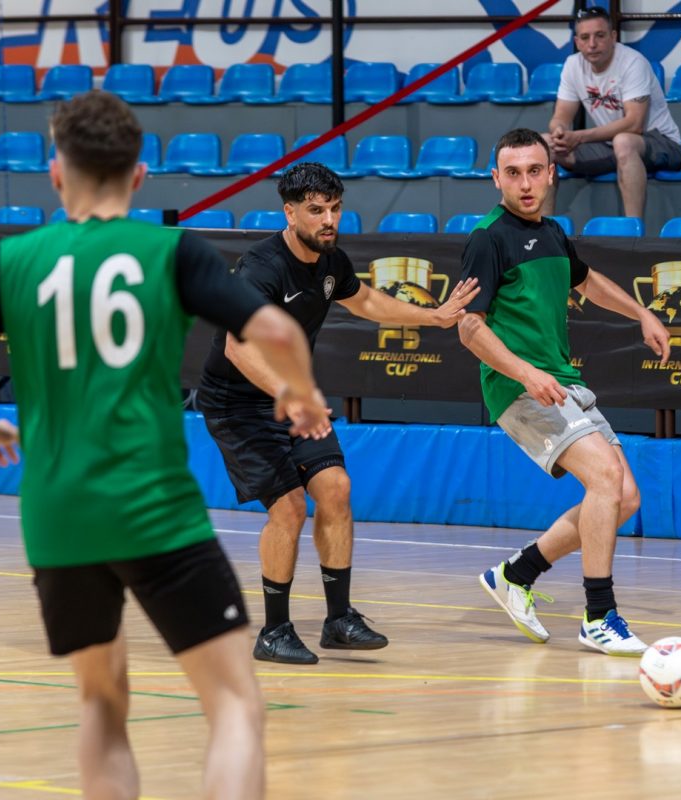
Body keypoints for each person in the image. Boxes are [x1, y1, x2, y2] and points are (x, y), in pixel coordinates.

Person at [0, 90, 329, 799]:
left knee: (101, 705)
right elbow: (278, 330)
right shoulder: (170, 252)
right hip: (151, 506)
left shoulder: (12, 261)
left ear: (56, 174)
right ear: (139, 176)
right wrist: (298, 390)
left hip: (57, 516)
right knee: (234, 704)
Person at [197, 162, 479, 665]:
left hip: (291, 394)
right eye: (316, 210)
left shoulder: (332, 261)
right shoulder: (261, 268)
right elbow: (239, 348)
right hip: (238, 401)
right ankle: (274, 631)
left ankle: (339, 620)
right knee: (288, 507)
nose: (328, 220)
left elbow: (366, 300)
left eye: (334, 208)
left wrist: (434, 317)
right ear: (289, 213)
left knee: (336, 488)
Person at [458, 128, 671, 656]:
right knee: (604, 477)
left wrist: (641, 313)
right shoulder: (488, 238)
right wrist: (526, 374)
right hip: (519, 386)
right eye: (513, 173)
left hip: (561, 380)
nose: (525, 183)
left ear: (551, 174)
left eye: (535, 171)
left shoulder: (552, 232)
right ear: (496, 179)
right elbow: (469, 327)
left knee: (624, 497)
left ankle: (516, 574)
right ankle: (599, 616)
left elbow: (588, 281)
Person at [543, 5, 681, 219]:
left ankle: (632, 230)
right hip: (611, 146)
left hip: (662, 143)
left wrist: (579, 137)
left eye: (600, 35)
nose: (592, 44)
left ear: (613, 37)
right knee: (543, 145)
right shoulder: (573, 65)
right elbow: (561, 116)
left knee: (624, 141)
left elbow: (634, 124)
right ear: (577, 42)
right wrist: (559, 132)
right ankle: (543, 229)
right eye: (585, 37)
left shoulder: (632, 62)